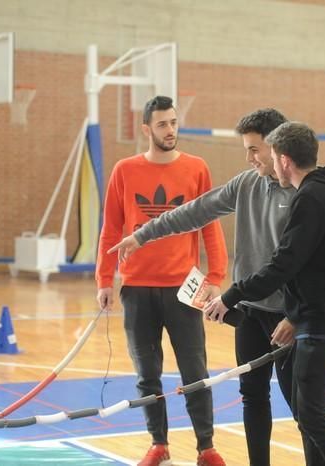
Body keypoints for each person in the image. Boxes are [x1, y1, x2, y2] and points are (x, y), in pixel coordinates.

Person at [107, 108, 296, 466]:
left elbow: (315, 266)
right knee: (253, 398)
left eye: (254, 149)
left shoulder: (305, 193)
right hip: (252, 314)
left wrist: (300, 314)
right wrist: (142, 235)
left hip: (290, 318)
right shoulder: (245, 184)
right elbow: (195, 211)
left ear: (276, 147)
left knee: (305, 410)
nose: (249, 158)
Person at [203, 121, 325, 466]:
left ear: (286, 161)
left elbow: (282, 266)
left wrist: (231, 296)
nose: (271, 164)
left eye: (273, 156)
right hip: (322, 319)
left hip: (319, 323)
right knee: (311, 416)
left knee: (313, 418)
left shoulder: (311, 198)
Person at [95, 95, 228, 466]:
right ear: (146, 130)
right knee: (146, 373)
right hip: (136, 289)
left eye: (173, 123)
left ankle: (207, 447)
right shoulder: (124, 170)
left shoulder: (197, 168)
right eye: (162, 124)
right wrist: (105, 280)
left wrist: (215, 277)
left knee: (195, 371)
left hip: (184, 290)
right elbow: (110, 230)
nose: (170, 130)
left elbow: (210, 226)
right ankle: (159, 445)